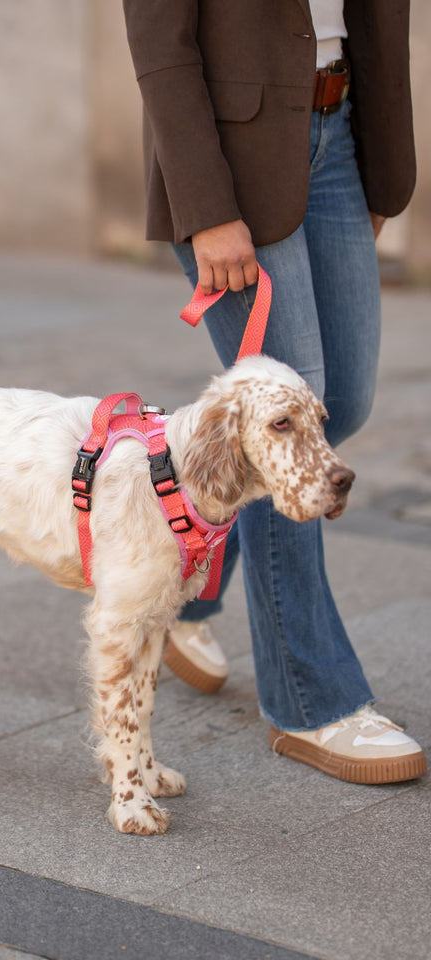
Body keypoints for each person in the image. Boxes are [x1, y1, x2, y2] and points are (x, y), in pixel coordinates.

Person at [123, 0, 427, 783]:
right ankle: (311, 701)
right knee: (289, 437)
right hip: (234, 158)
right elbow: (162, 43)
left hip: (341, 133)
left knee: (343, 402)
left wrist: (384, 162)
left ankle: (185, 591)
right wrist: (206, 207)